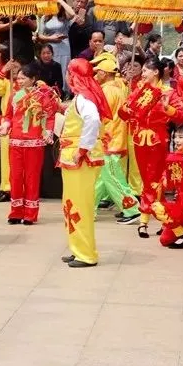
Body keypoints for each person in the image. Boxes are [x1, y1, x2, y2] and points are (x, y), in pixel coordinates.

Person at [119, 58, 183, 238]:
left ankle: (144, 221)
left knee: (153, 181)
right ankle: (166, 219)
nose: (143, 74)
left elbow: (181, 114)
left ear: (156, 72)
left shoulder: (168, 92)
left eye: (146, 71)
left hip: (158, 140)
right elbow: (124, 114)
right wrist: (128, 107)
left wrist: (167, 108)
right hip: (140, 139)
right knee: (148, 181)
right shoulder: (139, 90)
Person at [58, 59, 111, 268]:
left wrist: (82, 149)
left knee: (80, 205)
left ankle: (86, 253)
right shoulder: (82, 97)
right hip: (75, 157)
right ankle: (77, 248)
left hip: (79, 159)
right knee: (72, 204)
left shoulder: (84, 100)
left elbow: (92, 121)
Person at [0, 63, 57, 225]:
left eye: (23, 78)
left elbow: (50, 117)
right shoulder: (14, 96)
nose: (20, 81)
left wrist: (48, 132)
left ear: (33, 79)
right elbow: (8, 116)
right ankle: (16, 212)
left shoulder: (43, 96)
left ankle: (30, 213)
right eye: (18, 78)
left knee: (32, 177)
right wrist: (5, 125)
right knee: (15, 177)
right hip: (15, 142)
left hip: (34, 143)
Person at [90, 53, 141, 225]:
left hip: (109, 140)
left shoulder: (107, 91)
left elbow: (101, 118)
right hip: (112, 138)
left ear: (104, 73)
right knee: (101, 178)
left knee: (112, 177)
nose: (96, 75)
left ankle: (132, 209)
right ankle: (89, 208)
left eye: (98, 71)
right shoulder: (117, 88)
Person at [0, 49, 15, 203]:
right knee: (6, 160)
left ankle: (23, 189)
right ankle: (7, 189)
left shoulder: (30, 83)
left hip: (23, 126)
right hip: (7, 125)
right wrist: (4, 71)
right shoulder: (7, 83)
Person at [39, 0, 75, 87]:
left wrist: (60, 0)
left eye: (57, 2)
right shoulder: (45, 17)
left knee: (64, 68)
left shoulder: (64, 16)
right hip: (51, 47)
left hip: (64, 46)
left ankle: (64, 91)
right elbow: (40, 35)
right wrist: (51, 38)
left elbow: (72, 13)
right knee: (51, 68)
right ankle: (50, 89)